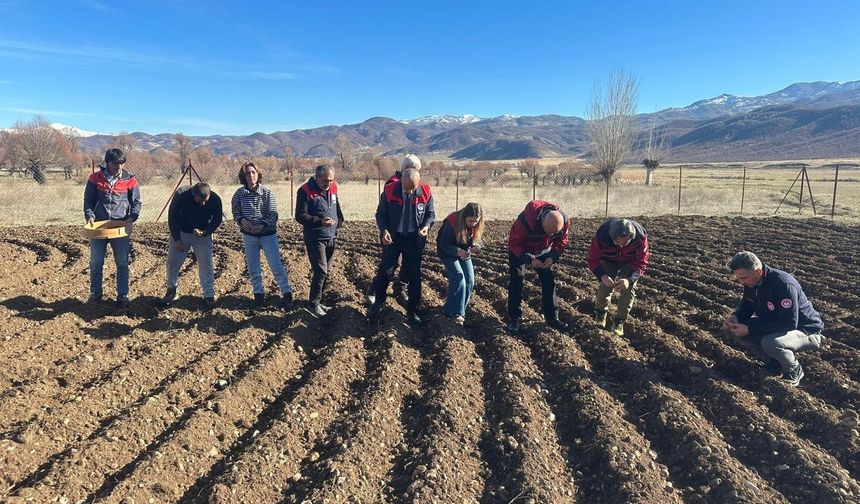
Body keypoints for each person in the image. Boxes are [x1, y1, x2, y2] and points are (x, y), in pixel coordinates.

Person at [722, 251, 823, 387]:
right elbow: (747, 305)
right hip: (774, 323)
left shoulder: (782, 284)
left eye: (744, 278)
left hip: (805, 330)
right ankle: (773, 363)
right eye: (738, 278)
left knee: (770, 342)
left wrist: (750, 329)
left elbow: (789, 323)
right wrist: (735, 317)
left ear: (758, 272)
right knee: (730, 329)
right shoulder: (751, 283)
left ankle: (793, 369)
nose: (741, 282)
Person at [367, 167, 435, 326]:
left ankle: (413, 311)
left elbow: (430, 214)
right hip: (394, 236)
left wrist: (426, 226)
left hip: (414, 237)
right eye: (406, 188)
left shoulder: (425, 192)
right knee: (386, 271)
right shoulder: (390, 190)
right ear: (401, 181)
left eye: (413, 188)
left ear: (418, 183)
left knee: (414, 274)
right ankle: (378, 303)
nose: (410, 192)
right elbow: (380, 214)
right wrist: (384, 230)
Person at [83, 148, 141, 308]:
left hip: (120, 227)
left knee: (122, 263)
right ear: (107, 163)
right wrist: (89, 215)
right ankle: (95, 294)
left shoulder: (130, 180)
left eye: (122, 164)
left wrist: (132, 218)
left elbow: (136, 202)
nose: (119, 167)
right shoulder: (95, 178)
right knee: (96, 262)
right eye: (116, 164)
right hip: (99, 227)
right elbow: (88, 200)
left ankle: (123, 295)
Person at [231, 161, 293, 309]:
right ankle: (258, 295)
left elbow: (273, 214)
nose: (251, 175)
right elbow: (236, 212)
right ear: (243, 176)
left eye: (253, 172)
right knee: (253, 268)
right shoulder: (239, 194)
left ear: (258, 174)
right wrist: (242, 221)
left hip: (267, 235)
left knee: (276, 265)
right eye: (247, 173)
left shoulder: (267, 193)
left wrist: (263, 225)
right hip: (249, 235)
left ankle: (287, 294)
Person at [366, 154, 421, 307]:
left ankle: (400, 288)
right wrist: (385, 231)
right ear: (407, 169)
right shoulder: (393, 184)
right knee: (391, 265)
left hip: (409, 235)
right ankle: (374, 289)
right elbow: (383, 212)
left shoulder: (415, 183)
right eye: (416, 170)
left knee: (407, 264)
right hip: (392, 235)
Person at [506, 200, 570, 334]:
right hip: (521, 250)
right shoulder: (524, 221)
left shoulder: (563, 220)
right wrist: (530, 259)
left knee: (548, 280)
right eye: (548, 233)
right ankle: (514, 318)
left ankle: (552, 317)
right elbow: (514, 243)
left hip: (543, 250)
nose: (550, 236)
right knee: (517, 278)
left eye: (553, 234)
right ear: (541, 222)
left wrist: (553, 256)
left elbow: (562, 240)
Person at [163, 182, 223, 309]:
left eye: (206, 200)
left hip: (203, 235)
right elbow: (172, 216)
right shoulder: (181, 195)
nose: (203, 203)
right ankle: (171, 290)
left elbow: (217, 219)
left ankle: (209, 294)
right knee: (172, 263)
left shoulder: (215, 199)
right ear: (193, 194)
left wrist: (205, 231)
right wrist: (177, 239)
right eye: (200, 200)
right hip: (182, 232)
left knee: (206, 264)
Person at [587, 218, 650, 336]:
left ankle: (620, 320)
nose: (621, 246)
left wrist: (629, 280)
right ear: (612, 237)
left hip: (630, 261)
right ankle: (601, 313)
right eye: (617, 243)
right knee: (605, 285)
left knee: (628, 288)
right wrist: (602, 276)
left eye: (625, 243)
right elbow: (592, 259)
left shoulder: (640, 239)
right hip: (608, 260)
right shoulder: (601, 237)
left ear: (631, 238)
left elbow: (642, 263)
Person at [296, 164, 344, 316]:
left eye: (331, 180)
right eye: (325, 181)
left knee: (327, 271)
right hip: (315, 237)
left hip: (331, 236)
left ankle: (320, 301)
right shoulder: (305, 191)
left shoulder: (333, 188)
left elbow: (336, 206)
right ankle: (314, 303)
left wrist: (340, 220)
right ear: (316, 178)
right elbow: (300, 215)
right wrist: (320, 221)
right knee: (321, 270)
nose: (328, 184)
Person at [436, 202, 484, 325]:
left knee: (470, 279)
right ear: (464, 217)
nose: (473, 224)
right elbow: (444, 243)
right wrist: (457, 251)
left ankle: (458, 308)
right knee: (458, 277)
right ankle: (455, 313)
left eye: (476, 221)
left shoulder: (476, 225)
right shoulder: (452, 222)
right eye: (470, 221)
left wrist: (477, 247)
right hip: (448, 252)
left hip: (464, 252)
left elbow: (478, 241)